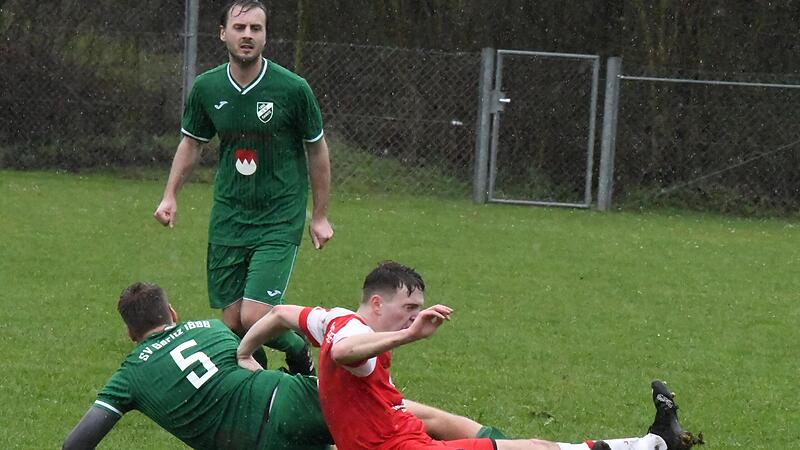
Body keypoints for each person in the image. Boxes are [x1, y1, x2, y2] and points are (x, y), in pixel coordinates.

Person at [238, 261, 704, 450]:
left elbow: (279, 313)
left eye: (418, 310)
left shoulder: (331, 317)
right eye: (408, 309)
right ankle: (653, 445)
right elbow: (346, 353)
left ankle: (655, 443)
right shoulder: (354, 337)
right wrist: (411, 337)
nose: (413, 317)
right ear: (377, 303)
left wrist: (244, 353)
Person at [62, 282, 513, 449]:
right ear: (172, 314)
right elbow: (278, 336)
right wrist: (301, 364)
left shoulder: (129, 375)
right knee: (403, 415)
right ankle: (497, 442)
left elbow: (79, 441)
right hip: (288, 398)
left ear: (130, 333)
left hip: (250, 439)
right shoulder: (209, 328)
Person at [153, 0, 332, 372]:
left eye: (256, 28)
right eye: (240, 28)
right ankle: (263, 386)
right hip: (229, 215)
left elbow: (316, 149)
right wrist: (170, 195)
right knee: (232, 324)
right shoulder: (207, 87)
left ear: (266, 35)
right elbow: (191, 143)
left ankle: (298, 350)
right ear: (223, 34)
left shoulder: (293, 89)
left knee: (253, 317)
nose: (248, 35)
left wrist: (319, 215)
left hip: (278, 217)